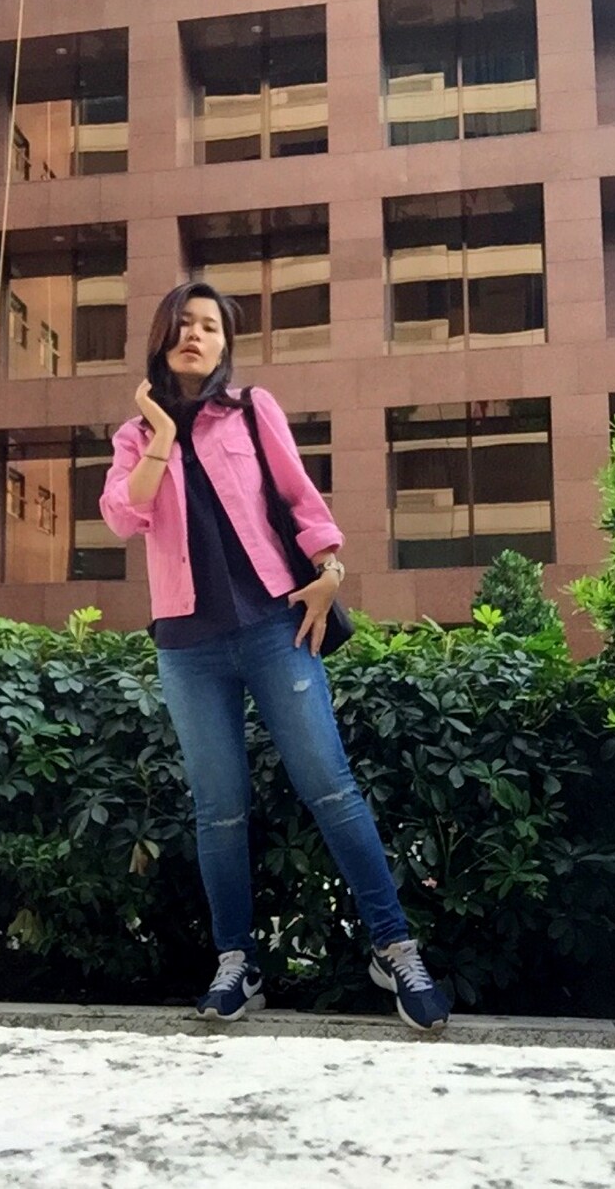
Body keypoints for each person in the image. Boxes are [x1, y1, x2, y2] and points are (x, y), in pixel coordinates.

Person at [100, 282, 450, 1032]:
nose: (196, 335)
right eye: (183, 324)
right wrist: (161, 433)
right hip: (188, 644)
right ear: (161, 337)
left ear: (225, 344)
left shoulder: (253, 410)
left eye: (210, 326)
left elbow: (299, 498)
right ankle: (238, 961)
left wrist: (330, 571)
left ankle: (394, 946)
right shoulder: (134, 435)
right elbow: (124, 515)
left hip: (274, 626)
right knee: (219, 810)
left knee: (331, 788)